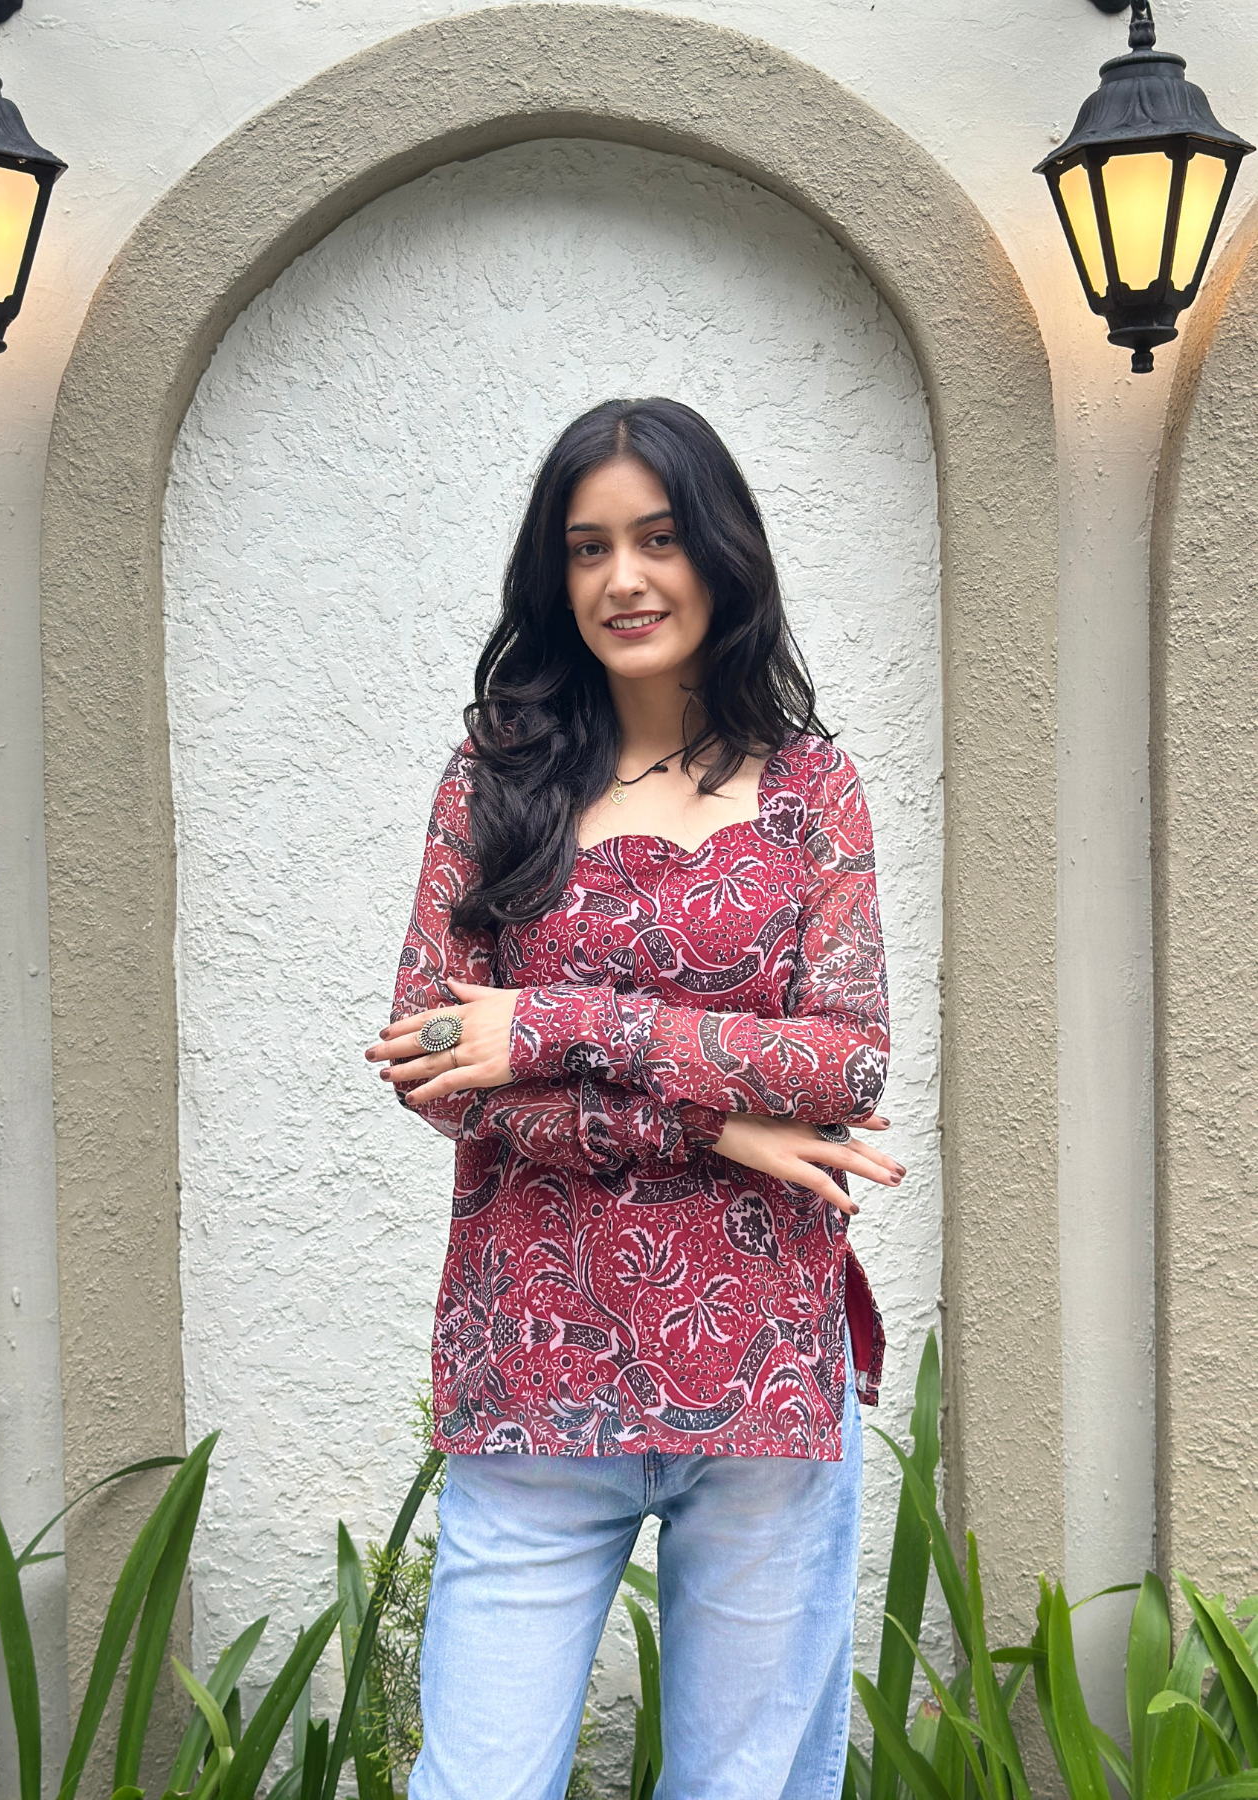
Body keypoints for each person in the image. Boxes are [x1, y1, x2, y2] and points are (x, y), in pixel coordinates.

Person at [365, 397, 903, 1800]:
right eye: (588, 547)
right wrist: (718, 1120)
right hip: (534, 1369)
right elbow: (430, 1059)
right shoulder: (494, 780)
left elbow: (846, 1064)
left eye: (659, 539)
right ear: (555, 577)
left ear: (720, 554)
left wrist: (555, 1024)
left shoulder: (810, 791)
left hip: (766, 1379)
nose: (624, 579)